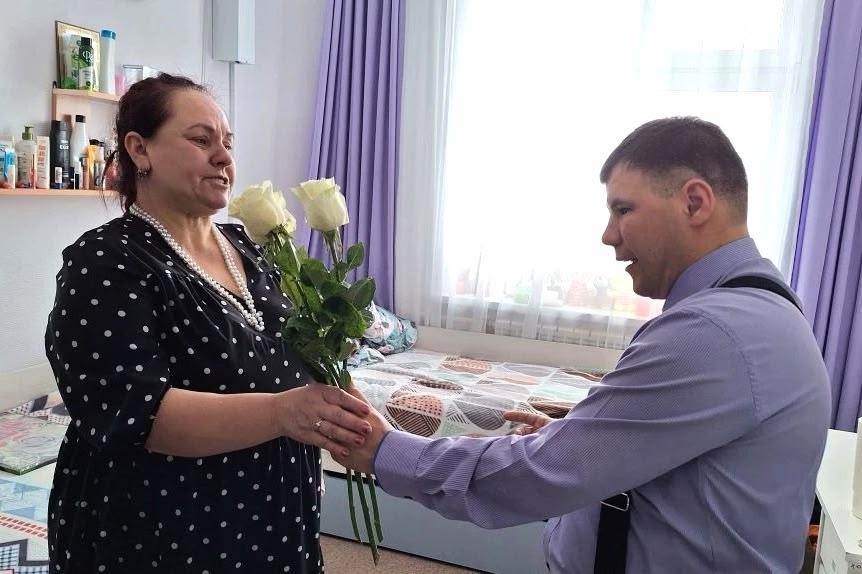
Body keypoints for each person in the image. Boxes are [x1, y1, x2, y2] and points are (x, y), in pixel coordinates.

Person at [330, 117, 832, 573]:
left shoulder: (710, 332)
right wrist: (581, 437)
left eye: (623, 209)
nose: (608, 235)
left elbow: (538, 475)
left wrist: (384, 450)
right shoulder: (760, 308)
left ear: (694, 202)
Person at [44, 73, 372, 573]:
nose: (224, 158)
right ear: (139, 149)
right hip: (165, 526)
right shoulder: (107, 261)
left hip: (276, 511)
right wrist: (283, 413)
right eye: (201, 140)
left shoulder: (250, 246)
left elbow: (301, 351)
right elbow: (135, 412)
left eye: (228, 143)